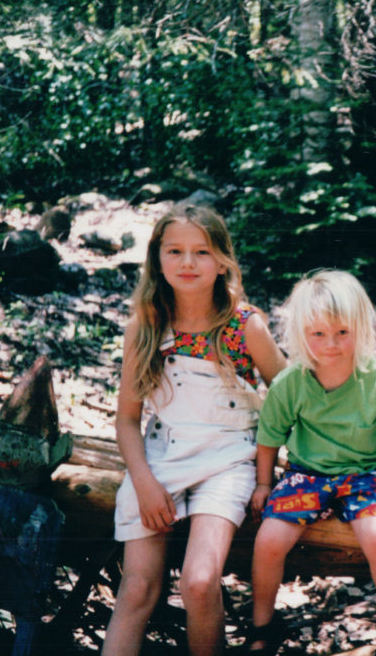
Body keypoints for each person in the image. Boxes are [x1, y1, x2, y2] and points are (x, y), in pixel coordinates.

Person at [104, 203, 288, 656]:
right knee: (137, 591)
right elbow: (127, 420)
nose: (187, 263)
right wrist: (145, 483)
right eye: (175, 251)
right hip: (162, 457)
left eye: (201, 252)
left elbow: (289, 401)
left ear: (222, 259)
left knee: (200, 583)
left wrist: (272, 473)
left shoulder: (246, 326)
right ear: (157, 258)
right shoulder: (146, 327)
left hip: (230, 459)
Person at [247, 270, 376, 655]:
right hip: (307, 476)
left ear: (359, 328)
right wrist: (264, 485)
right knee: (268, 541)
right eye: (318, 334)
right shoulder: (291, 382)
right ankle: (262, 626)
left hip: (366, 476)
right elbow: (268, 440)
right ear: (300, 334)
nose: (331, 344)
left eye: (342, 333)